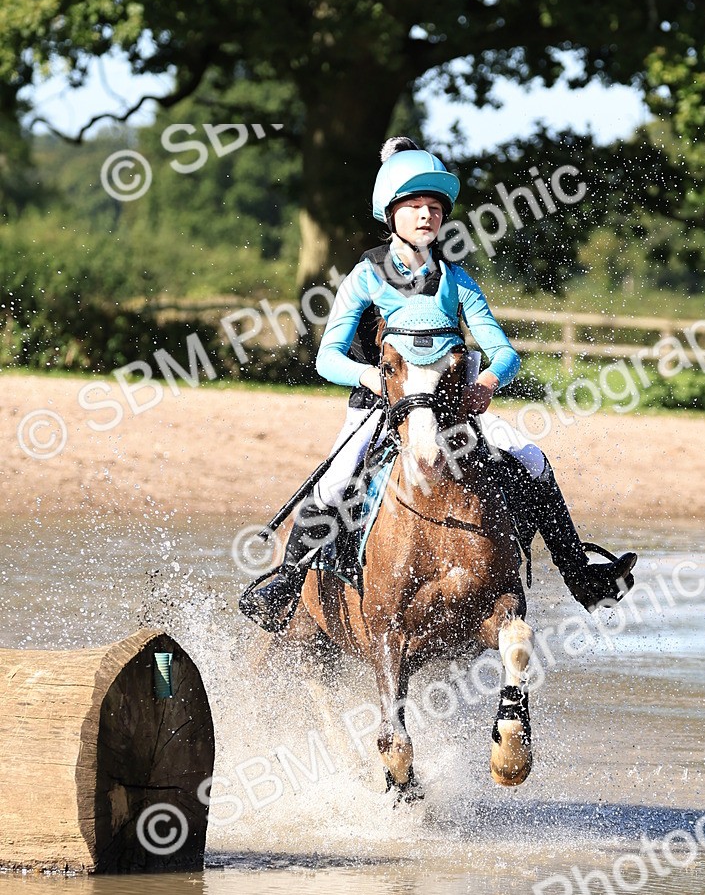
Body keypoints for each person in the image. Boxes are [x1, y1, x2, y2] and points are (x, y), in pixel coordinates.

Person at [241, 138, 636, 632]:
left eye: (434, 208)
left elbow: (505, 352)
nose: (426, 215)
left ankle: (582, 576)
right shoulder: (366, 277)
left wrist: (489, 381)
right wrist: (375, 379)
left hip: (454, 407)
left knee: (532, 460)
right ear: (391, 215)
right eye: (414, 207)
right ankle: (287, 583)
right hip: (380, 406)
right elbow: (327, 357)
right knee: (336, 481)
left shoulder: (457, 280)